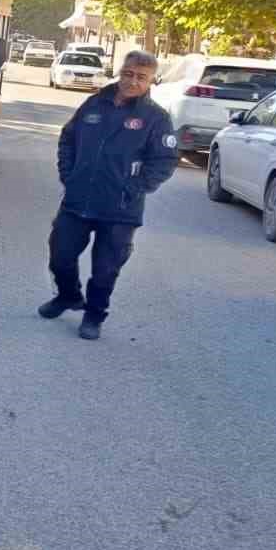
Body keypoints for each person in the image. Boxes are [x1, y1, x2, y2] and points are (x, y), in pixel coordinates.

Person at [39, 49, 179, 340]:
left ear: (151, 80)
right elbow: (68, 138)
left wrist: (134, 188)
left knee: (105, 269)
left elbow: (164, 161)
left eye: (141, 77)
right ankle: (68, 296)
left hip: (120, 209)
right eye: (128, 73)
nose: (132, 81)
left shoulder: (155, 118)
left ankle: (94, 315)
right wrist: (69, 174)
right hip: (78, 200)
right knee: (60, 256)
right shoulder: (94, 103)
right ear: (120, 71)